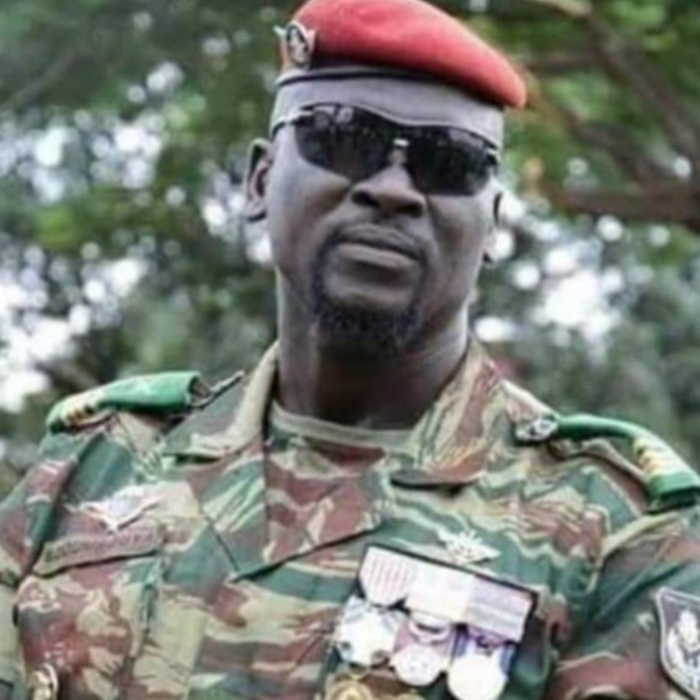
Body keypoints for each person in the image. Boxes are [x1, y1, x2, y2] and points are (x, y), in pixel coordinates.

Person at [2, 0, 700, 698]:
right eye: (342, 139)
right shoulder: (93, 464)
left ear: (492, 224)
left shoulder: (617, 527)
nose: (391, 190)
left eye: (448, 162)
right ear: (260, 180)